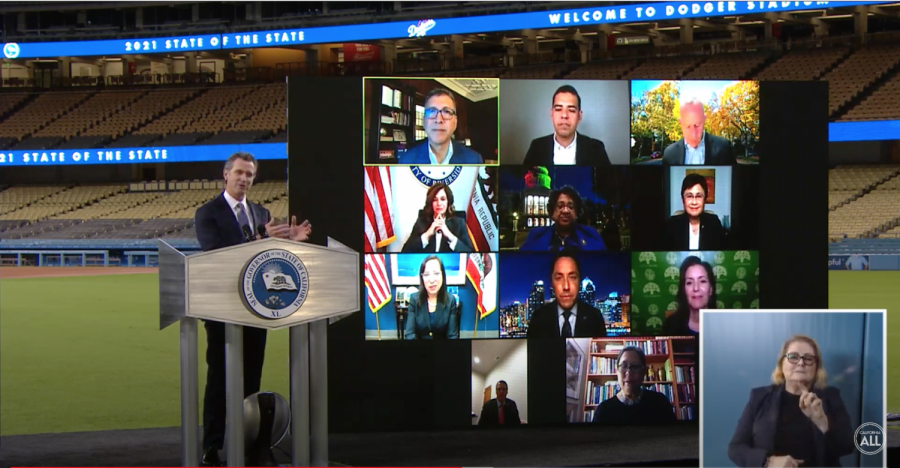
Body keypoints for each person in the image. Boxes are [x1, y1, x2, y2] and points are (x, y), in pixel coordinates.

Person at [194, 152, 312, 467]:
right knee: (219, 380)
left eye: (249, 174)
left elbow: (271, 260)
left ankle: (248, 442)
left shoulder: (262, 212)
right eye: (239, 173)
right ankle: (212, 446)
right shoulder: (207, 213)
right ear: (226, 175)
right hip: (221, 311)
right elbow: (217, 253)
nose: (244, 179)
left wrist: (294, 242)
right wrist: (262, 238)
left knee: (251, 380)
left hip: (256, 310)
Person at [728, 335, 855, 468]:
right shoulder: (759, 397)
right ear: (781, 363)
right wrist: (767, 462)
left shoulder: (831, 397)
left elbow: (847, 447)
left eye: (808, 358)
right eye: (793, 357)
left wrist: (822, 423)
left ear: (816, 367)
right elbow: (735, 448)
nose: (801, 363)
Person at [522, 85, 611, 166]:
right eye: (558, 109)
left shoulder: (596, 149)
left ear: (579, 116)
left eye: (571, 110)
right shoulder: (537, 147)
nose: (564, 115)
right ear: (551, 113)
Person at [526, 252, 608, 338]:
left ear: (579, 282)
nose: (566, 286)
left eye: (572, 277)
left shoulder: (595, 317)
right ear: (552, 283)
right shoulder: (538, 318)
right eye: (558, 278)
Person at [592, 347, 677, 425]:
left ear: (644, 372)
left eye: (635, 366)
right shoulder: (603, 410)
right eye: (623, 366)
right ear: (617, 371)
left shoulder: (660, 402)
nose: (628, 372)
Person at [397, 88, 483, 165]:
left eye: (446, 112)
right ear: (424, 121)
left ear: (455, 123)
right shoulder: (406, 160)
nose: (438, 120)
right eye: (432, 111)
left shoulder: (474, 160)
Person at [519, 185, 606, 252]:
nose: (565, 211)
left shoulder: (592, 236)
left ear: (576, 213)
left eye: (570, 206)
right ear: (552, 212)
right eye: (560, 206)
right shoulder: (535, 237)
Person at [401, 183, 473, 253]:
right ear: (430, 202)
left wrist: (450, 236)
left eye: (443, 199)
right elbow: (405, 251)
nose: (439, 203)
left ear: (448, 202)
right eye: (435, 199)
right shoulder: (421, 222)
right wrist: (427, 235)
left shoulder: (459, 223)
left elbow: (471, 253)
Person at [662, 98, 735, 166]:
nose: (694, 134)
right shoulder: (669, 154)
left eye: (697, 125)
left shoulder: (724, 148)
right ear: (680, 123)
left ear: (704, 119)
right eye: (688, 126)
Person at [404, 255, 460, 339]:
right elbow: (410, 334)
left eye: (436, 273)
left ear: (442, 275)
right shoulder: (414, 299)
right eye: (426, 275)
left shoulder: (450, 300)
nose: (431, 280)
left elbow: (452, 336)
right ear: (422, 277)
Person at [665, 173, 726, 251]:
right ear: (683, 199)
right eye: (689, 196)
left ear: (705, 199)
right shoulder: (672, 224)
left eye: (699, 196)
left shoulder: (714, 223)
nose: (694, 202)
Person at [662, 256, 716, 336]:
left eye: (702, 281)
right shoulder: (670, 326)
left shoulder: (724, 326)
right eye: (689, 282)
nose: (696, 288)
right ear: (684, 290)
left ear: (711, 289)